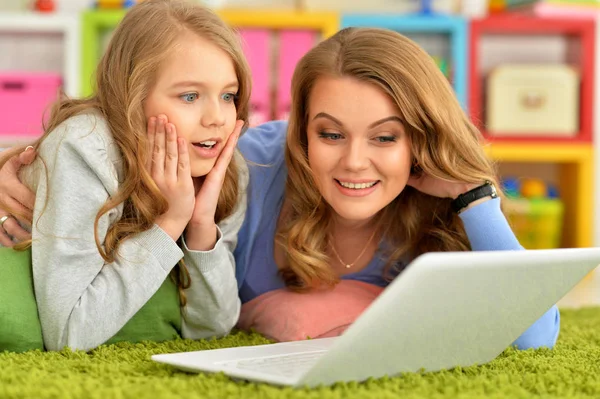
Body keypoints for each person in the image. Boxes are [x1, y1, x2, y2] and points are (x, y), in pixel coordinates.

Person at [233, 27, 559, 349]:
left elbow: (534, 337)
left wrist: (473, 195)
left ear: (421, 137)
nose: (355, 162)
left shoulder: (441, 203)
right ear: (303, 133)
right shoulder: (250, 167)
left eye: (385, 137)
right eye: (331, 134)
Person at [0, 0, 251, 351]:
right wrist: (170, 222)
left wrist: (200, 226)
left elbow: (213, 327)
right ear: (133, 96)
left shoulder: (225, 167)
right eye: (190, 96)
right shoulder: (85, 148)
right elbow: (69, 333)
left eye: (229, 95)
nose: (218, 118)